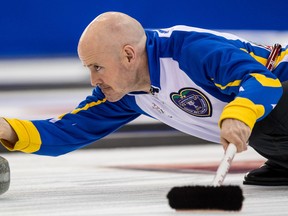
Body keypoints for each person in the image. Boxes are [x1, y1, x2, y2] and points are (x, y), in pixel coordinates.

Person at [0, 11, 288, 186]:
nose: (93, 80)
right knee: (262, 125)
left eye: (97, 67)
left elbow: (263, 82)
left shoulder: (190, 51)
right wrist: (6, 129)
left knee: (262, 116)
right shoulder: (124, 93)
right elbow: (68, 129)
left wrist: (239, 114)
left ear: (128, 55)